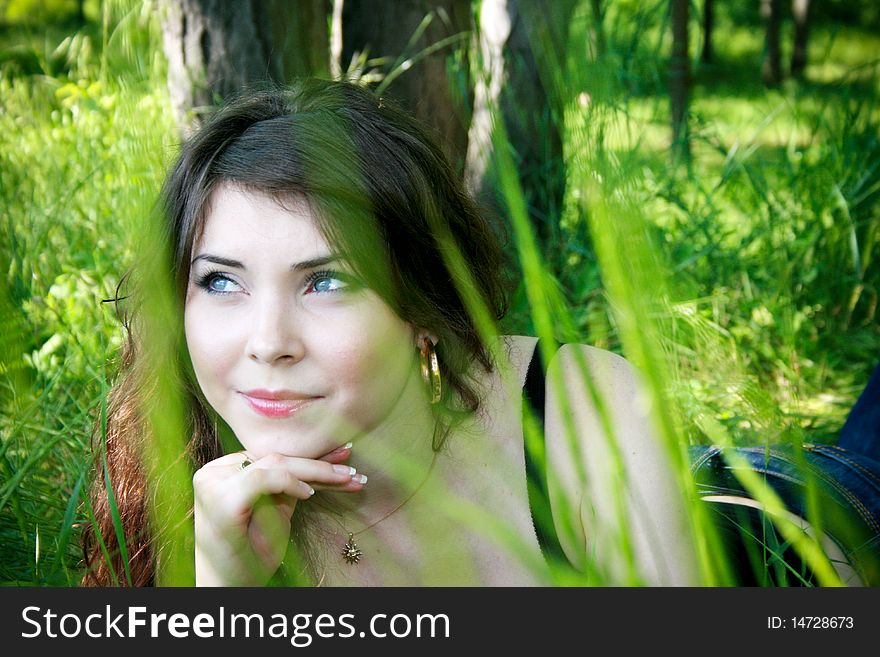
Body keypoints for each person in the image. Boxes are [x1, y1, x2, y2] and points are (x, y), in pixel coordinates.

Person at [80, 78, 878, 587]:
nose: (267, 341)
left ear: (423, 307)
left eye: (326, 280)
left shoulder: (580, 410)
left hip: (780, 522)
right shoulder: (186, 483)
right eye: (220, 280)